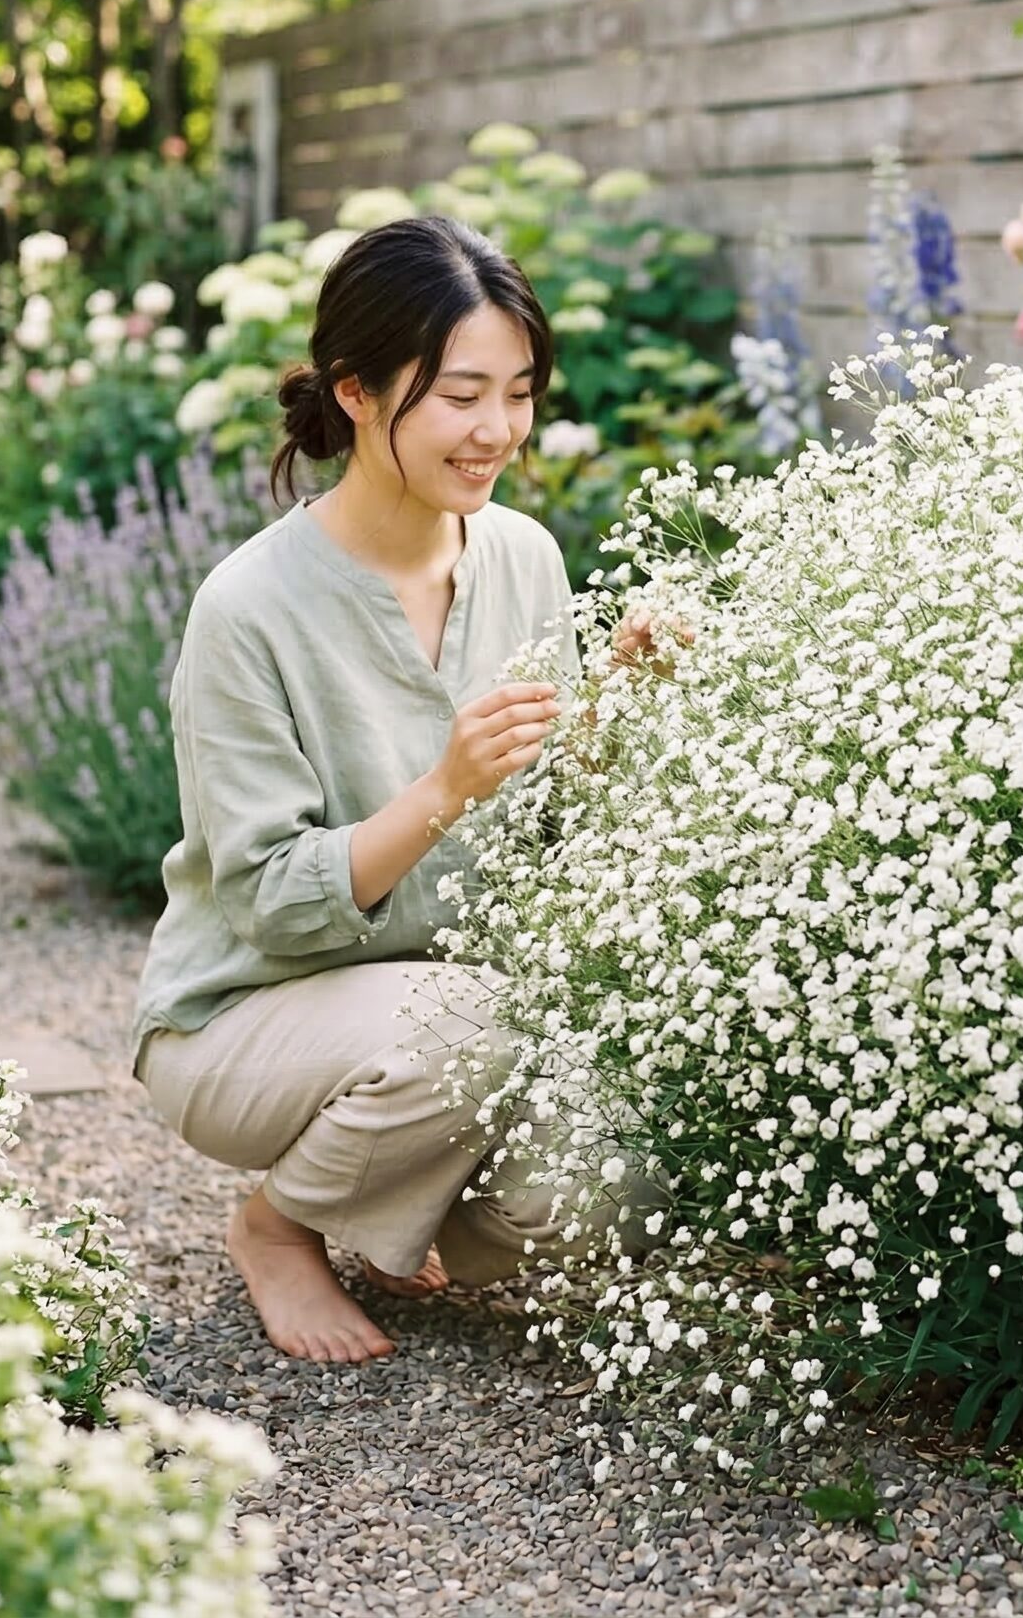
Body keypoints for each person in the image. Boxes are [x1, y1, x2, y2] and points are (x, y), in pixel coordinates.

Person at [131, 214, 645, 1365]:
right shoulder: (249, 605)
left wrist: (615, 708)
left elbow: (555, 826)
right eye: (462, 394)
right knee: (468, 1022)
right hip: (251, 1010)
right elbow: (266, 900)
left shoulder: (522, 555)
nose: (498, 429)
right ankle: (278, 1225)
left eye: (517, 392)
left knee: (611, 1180)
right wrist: (443, 788)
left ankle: (389, 1194)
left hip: (447, 1019)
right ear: (357, 393)